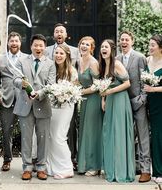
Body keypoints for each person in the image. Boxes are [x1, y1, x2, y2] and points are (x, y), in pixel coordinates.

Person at [13, 34, 56, 181]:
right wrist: (21, 84)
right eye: (35, 45)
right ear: (31, 46)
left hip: (42, 105)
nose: (38, 48)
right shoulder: (21, 61)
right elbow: (15, 79)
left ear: (44, 47)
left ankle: (41, 167)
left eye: (41, 45)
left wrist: (40, 93)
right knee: (26, 138)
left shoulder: (50, 63)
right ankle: (27, 167)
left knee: (43, 138)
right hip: (24, 105)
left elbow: (51, 84)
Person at [99, 39, 135, 182]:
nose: (103, 49)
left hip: (120, 101)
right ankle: (111, 169)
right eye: (102, 47)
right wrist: (103, 99)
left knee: (118, 134)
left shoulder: (117, 64)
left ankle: (121, 171)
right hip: (110, 101)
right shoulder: (103, 66)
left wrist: (109, 92)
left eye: (106, 47)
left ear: (112, 49)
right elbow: (103, 87)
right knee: (109, 134)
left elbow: (127, 83)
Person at [117, 30, 151, 183]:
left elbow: (145, 81)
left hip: (138, 102)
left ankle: (145, 170)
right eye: (122, 39)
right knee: (126, 137)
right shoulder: (116, 58)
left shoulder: (140, 57)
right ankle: (129, 167)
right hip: (122, 104)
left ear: (132, 41)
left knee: (143, 137)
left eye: (126, 40)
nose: (124, 42)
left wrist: (142, 99)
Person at [46, 23, 79, 169]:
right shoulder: (51, 69)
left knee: (60, 137)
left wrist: (64, 94)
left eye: (61, 54)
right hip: (52, 107)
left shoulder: (72, 71)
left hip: (66, 107)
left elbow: (75, 88)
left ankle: (66, 167)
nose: (58, 55)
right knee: (52, 137)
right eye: (56, 53)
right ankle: (53, 167)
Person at [0, 32, 27, 172]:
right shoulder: (0, 59)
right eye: (11, 41)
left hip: (24, 99)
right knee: (6, 131)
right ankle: (7, 159)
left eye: (16, 41)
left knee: (27, 131)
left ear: (20, 43)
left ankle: (29, 161)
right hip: (6, 100)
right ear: (8, 43)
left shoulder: (27, 58)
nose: (14, 43)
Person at [77, 36, 103, 176]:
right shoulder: (79, 60)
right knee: (84, 131)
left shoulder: (93, 63)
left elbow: (97, 85)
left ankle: (94, 166)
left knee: (91, 131)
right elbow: (80, 81)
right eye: (82, 43)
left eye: (87, 44)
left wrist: (79, 92)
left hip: (93, 99)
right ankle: (84, 163)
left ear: (92, 48)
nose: (84, 46)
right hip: (84, 99)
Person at [143, 34, 162, 183]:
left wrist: (153, 90)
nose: (150, 47)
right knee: (149, 137)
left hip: (160, 103)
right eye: (149, 44)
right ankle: (151, 169)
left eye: (153, 45)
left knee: (158, 136)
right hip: (147, 102)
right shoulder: (147, 60)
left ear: (160, 47)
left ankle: (159, 172)